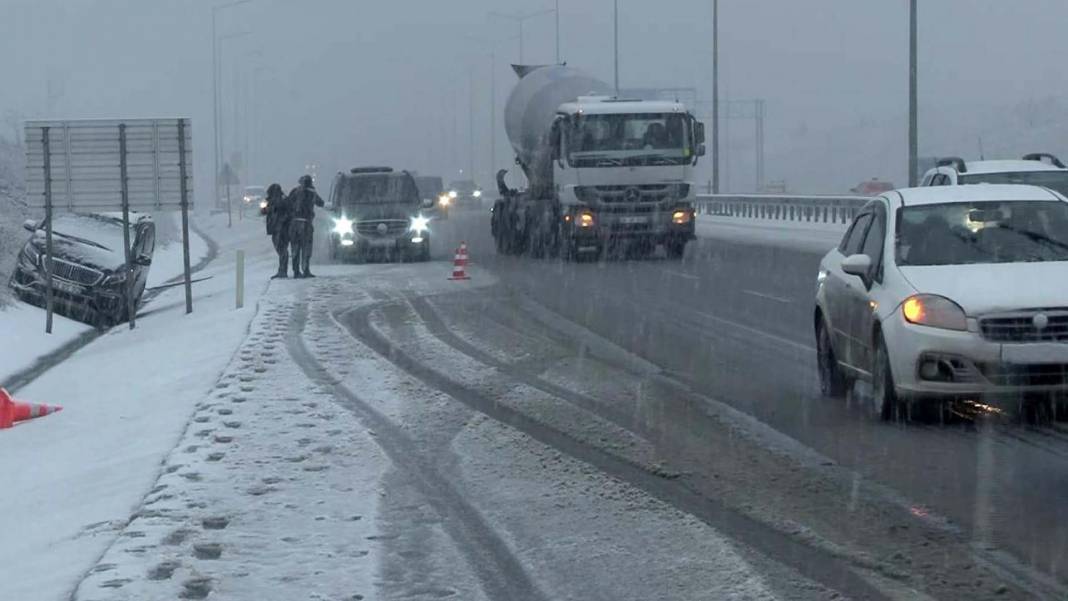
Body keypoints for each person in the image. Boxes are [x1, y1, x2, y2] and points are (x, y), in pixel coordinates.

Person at [287, 174, 325, 278]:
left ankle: (296, 271)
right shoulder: (312, 192)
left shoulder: (295, 191)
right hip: (306, 224)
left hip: (294, 224)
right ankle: (306, 270)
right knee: (306, 248)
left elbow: (288, 204)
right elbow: (321, 203)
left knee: (295, 248)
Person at [264, 183, 290, 279]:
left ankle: (283, 271)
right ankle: (282, 270)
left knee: (282, 250)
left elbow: (286, 212)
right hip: (277, 229)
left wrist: (282, 222)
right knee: (281, 250)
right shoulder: (275, 200)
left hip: (281, 229)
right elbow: (264, 212)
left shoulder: (281, 200)